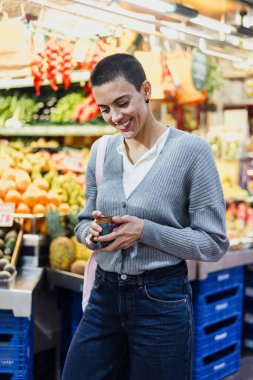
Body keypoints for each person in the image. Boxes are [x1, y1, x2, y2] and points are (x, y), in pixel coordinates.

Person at [62, 53, 230, 380]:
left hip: (161, 300)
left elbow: (214, 243)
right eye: (105, 109)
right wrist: (90, 234)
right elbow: (83, 221)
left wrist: (144, 231)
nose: (115, 117)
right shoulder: (100, 151)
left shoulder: (192, 152)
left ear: (146, 90)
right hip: (105, 295)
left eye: (122, 103)